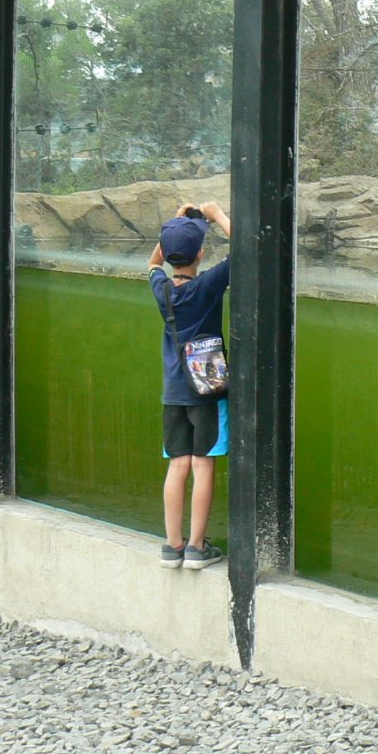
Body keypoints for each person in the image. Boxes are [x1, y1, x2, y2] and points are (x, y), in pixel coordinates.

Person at [148, 201, 232, 570]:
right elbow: (248, 250)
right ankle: (197, 547)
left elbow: (153, 263)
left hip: (174, 393)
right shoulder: (208, 285)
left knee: (177, 465)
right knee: (203, 465)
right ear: (201, 253)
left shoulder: (161, 287)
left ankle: (172, 545)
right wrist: (216, 217)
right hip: (207, 390)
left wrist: (176, 224)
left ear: (168, 255)